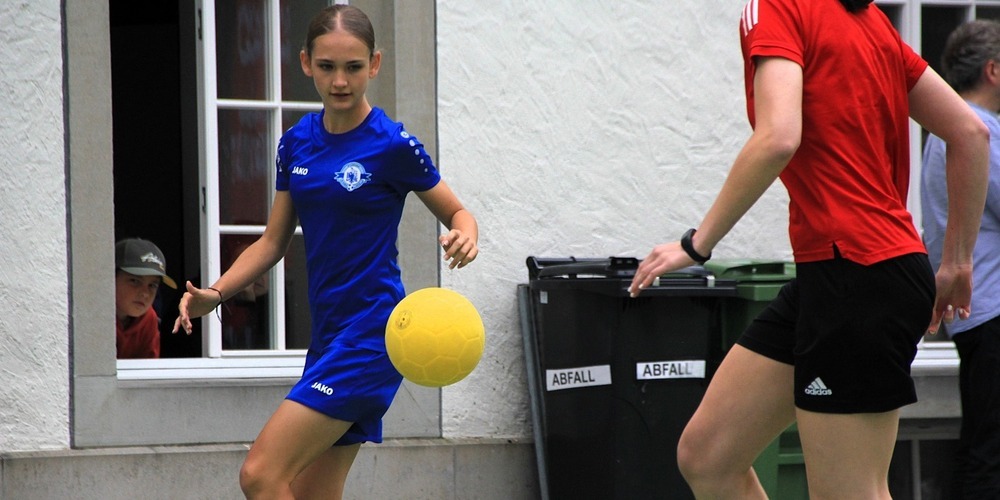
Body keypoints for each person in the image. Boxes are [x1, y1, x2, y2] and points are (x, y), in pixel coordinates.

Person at [628, 0, 989, 498]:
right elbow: (970, 132)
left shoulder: (778, 8)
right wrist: (956, 262)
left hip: (858, 275)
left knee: (849, 492)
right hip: (840, 273)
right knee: (708, 457)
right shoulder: (872, 23)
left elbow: (778, 137)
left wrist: (697, 244)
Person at [172, 5, 479, 499]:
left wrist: (465, 234)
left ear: (374, 64)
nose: (340, 81)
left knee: (260, 474)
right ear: (305, 63)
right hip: (328, 339)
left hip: (373, 337)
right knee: (312, 493)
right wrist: (217, 292)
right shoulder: (295, 144)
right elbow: (272, 242)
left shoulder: (392, 144)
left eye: (353, 67)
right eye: (327, 66)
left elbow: (458, 212)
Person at [921, 19, 1000, 499]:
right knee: (990, 456)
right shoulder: (976, 130)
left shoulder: (953, 128)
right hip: (993, 313)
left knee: (983, 445)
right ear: (993, 70)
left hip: (979, 312)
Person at [115, 238, 177, 359]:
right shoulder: (94, 315)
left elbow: (148, 366)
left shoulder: (149, 318)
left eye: (152, 285)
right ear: (111, 278)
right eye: (134, 281)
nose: (145, 293)